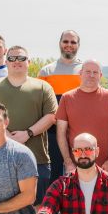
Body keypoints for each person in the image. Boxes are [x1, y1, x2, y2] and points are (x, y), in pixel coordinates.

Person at [0, 46, 57, 203]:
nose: (16, 62)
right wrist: (6, 136)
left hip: (37, 159)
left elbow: (52, 115)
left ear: (29, 62)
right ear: (6, 62)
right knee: (1, 209)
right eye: (12, 58)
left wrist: (27, 133)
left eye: (21, 58)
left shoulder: (43, 87)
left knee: (36, 209)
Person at [56, 59, 108, 176]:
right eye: (88, 72)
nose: (91, 75)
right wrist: (68, 162)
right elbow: (60, 133)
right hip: (76, 167)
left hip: (106, 167)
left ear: (101, 75)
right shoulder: (67, 98)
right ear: (80, 73)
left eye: (95, 72)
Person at [38, 30, 82, 184]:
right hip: (52, 132)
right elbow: (41, 104)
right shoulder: (46, 71)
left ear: (78, 45)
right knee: (54, 176)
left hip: (78, 132)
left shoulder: (85, 71)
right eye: (66, 41)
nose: (69, 45)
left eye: (73, 42)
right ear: (60, 43)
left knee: (79, 175)